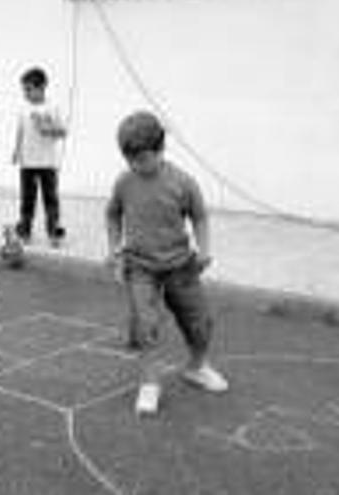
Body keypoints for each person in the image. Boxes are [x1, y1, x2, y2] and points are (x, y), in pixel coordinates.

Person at [104, 111, 229, 416]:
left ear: (160, 150)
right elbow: (112, 214)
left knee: (199, 322)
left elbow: (199, 216)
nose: (136, 165)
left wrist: (205, 249)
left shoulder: (183, 183)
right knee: (147, 326)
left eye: (143, 159)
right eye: (130, 159)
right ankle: (149, 383)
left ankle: (197, 367)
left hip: (180, 265)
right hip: (140, 267)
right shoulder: (124, 182)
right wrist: (114, 249)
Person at [11, 67, 67, 247]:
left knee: (50, 198)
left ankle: (53, 232)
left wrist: (47, 129)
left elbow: (62, 131)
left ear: (42, 87)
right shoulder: (22, 108)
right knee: (27, 198)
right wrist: (16, 150)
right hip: (27, 163)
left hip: (47, 163)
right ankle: (25, 230)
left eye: (29, 89)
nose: (25, 93)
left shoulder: (52, 107)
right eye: (24, 89)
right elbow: (20, 130)